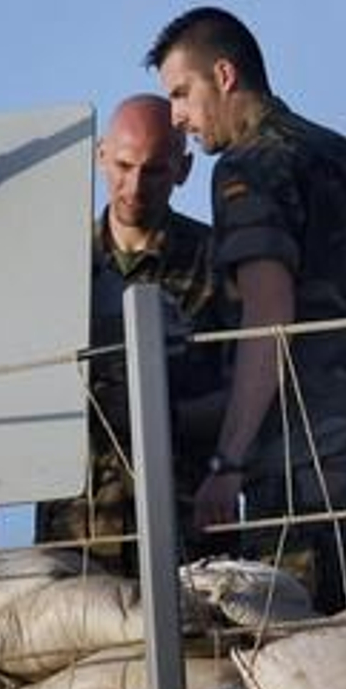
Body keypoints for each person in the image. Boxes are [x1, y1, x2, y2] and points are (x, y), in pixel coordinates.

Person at [146, 7, 346, 613]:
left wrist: (228, 462)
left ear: (225, 75)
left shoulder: (250, 168)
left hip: (310, 468)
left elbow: (268, 315)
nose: (177, 117)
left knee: (305, 660)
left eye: (182, 93)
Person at [35, 94, 238, 574]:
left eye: (154, 171)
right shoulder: (59, 266)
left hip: (187, 526)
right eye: (123, 166)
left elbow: (251, 390)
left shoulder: (218, 262)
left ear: (183, 170)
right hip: (76, 527)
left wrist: (157, 411)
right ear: (100, 154)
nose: (134, 186)